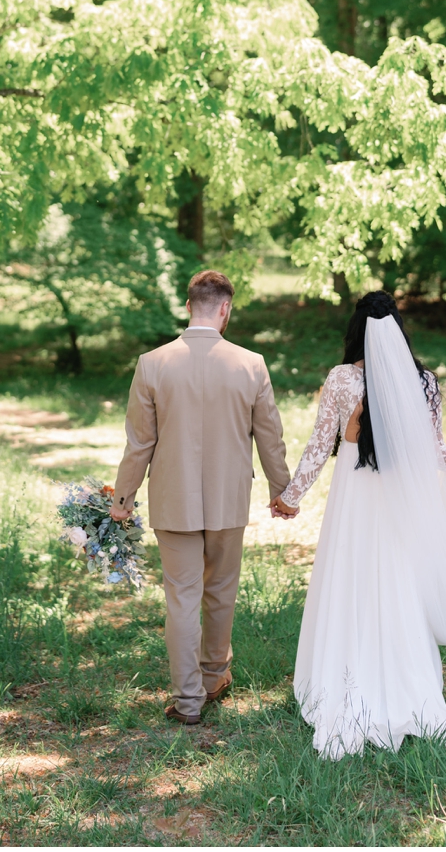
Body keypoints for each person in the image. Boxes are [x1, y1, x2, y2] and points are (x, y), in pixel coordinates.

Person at [271, 290, 446, 759]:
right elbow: (434, 447)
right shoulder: (423, 381)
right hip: (399, 500)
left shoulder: (342, 379)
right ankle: (406, 681)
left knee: (352, 579)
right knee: (398, 582)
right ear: (397, 328)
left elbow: (320, 447)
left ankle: (341, 680)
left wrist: (290, 497)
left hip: (355, 499)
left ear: (355, 329)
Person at [109, 269, 292, 726]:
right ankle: (214, 677)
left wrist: (123, 499)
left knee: (182, 598)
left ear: (189, 305)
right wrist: (280, 490)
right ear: (225, 308)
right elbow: (270, 437)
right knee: (221, 592)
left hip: (174, 500)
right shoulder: (251, 363)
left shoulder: (152, 362)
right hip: (230, 499)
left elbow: (139, 444)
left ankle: (187, 700)